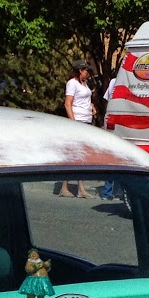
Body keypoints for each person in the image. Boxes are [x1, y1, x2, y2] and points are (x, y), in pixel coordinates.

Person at [59, 62, 94, 197]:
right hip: (78, 120)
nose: (88, 73)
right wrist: (73, 123)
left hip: (86, 120)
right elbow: (68, 103)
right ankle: (65, 187)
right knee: (73, 155)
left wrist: (91, 106)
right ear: (80, 70)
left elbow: (83, 100)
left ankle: (80, 188)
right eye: (86, 71)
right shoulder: (72, 83)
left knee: (82, 155)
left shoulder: (84, 84)